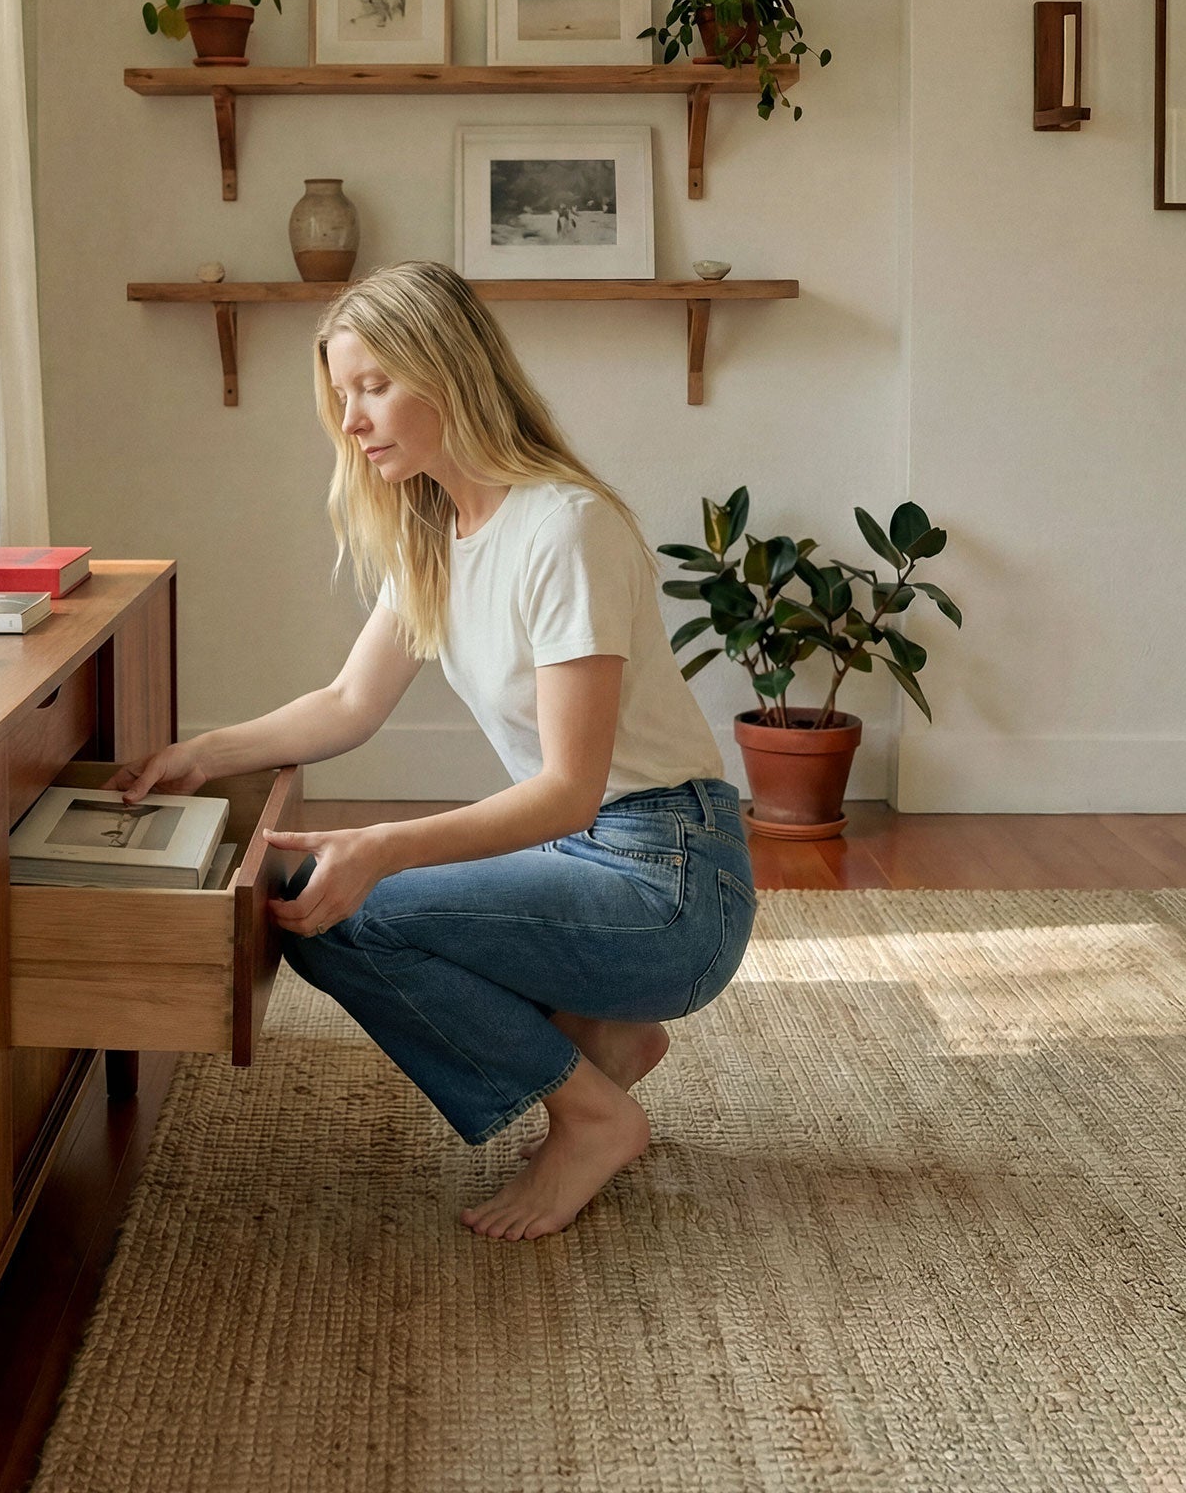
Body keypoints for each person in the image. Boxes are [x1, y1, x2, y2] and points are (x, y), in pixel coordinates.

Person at [108, 261, 756, 1243]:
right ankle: (603, 1034)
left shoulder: (564, 527)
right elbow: (346, 702)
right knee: (311, 882)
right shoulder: (438, 534)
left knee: (337, 907)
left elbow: (570, 793)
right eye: (341, 396)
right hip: (595, 860)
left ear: (448, 369)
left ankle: (591, 1115)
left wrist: (380, 844)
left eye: (373, 385)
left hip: (671, 877)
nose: (353, 418)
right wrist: (200, 752)